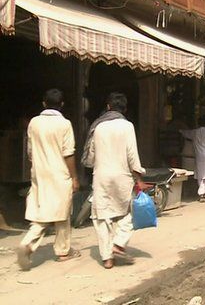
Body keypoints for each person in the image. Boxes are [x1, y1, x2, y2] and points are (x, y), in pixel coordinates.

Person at [17, 89, 81, 270]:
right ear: (62, 105)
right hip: (60, 173)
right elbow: (68, 153)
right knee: (62, 212)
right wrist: (74, 177)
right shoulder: (65, 124)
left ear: (44, 103)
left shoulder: (34, 123)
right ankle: (63, 251)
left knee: (41, 212)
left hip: (39, 173)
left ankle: (28, 243)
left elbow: (30, 151)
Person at [83, 92, 146, 269]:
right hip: (122, 176)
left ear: (108, 107)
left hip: (101, 176)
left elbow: (90, 156)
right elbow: (132, 155)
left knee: (101, 216)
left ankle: (107, 258)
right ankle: (119, 243)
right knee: (129, 211)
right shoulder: (127, 126)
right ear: (124, 109)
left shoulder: (98, 127)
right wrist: (138, 177)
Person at [180, 117, 205, 202]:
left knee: (201, 175)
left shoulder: (194, 132)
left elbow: (185, 133)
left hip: (200, 156)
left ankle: (201, 193)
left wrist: (180, 130)